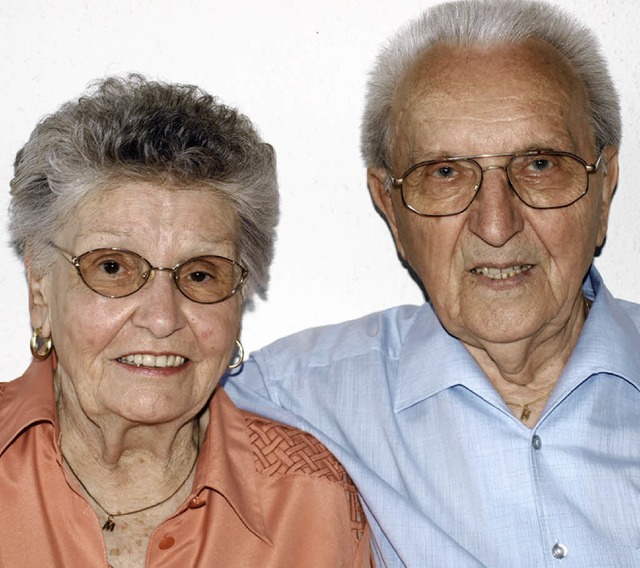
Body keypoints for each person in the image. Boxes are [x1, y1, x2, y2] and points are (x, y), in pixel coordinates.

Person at [224, 0, 640, 565]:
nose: (496, 225)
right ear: (390, 208)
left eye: (540, 164)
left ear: (603, 187)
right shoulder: (291, 397)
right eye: (445, 173)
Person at [0, 75, 373, 567]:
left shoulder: (312, 502)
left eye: (200, 274)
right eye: (113, 267)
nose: (161, 318)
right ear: (40, 291)